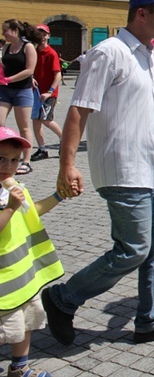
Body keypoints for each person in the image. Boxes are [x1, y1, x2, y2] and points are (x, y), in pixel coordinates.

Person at [44, 0, 154, 345]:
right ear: (141, 13)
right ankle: (63, 299)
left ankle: (151, 319)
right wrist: (67, 164)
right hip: (123, 166)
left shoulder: (153, 55)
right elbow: (79, 109)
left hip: (152, 166)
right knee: (134, 248)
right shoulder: (109, 52)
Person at [0, 127, 69, 377]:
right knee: (6, 326)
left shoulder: (14, 187)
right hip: (2, 282)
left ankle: (20, 367)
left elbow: (32, 211)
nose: (8, 166)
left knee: (27, 321)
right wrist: (9, 208)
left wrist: (58, 196)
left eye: (14, 160)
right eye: (1, 158)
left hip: (23, 276)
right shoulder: (8, 197)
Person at [0, 20, 38, 175]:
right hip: (4, 90)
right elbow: (3, 66)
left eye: (5, 30)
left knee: (24, 126)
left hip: (22, 90)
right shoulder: (6, 48)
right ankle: (3, 155)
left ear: (15, 30)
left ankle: (26, 161)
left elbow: (29, 70)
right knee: (0, 123)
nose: (3, 33)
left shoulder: (28, 47)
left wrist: (10, 79)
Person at [30, 24, 63, 163]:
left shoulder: (51, 53)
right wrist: (31, 78)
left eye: (44, 34)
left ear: (48, 36)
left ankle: (64, 140)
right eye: (40, 34)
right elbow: (29, 68)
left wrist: (49, 92)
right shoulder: (33, 51)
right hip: (36, 92)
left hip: (49, 93)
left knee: (46, 119)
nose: (42, 37)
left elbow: (58, 75)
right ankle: (42, 149)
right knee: (36, 121)